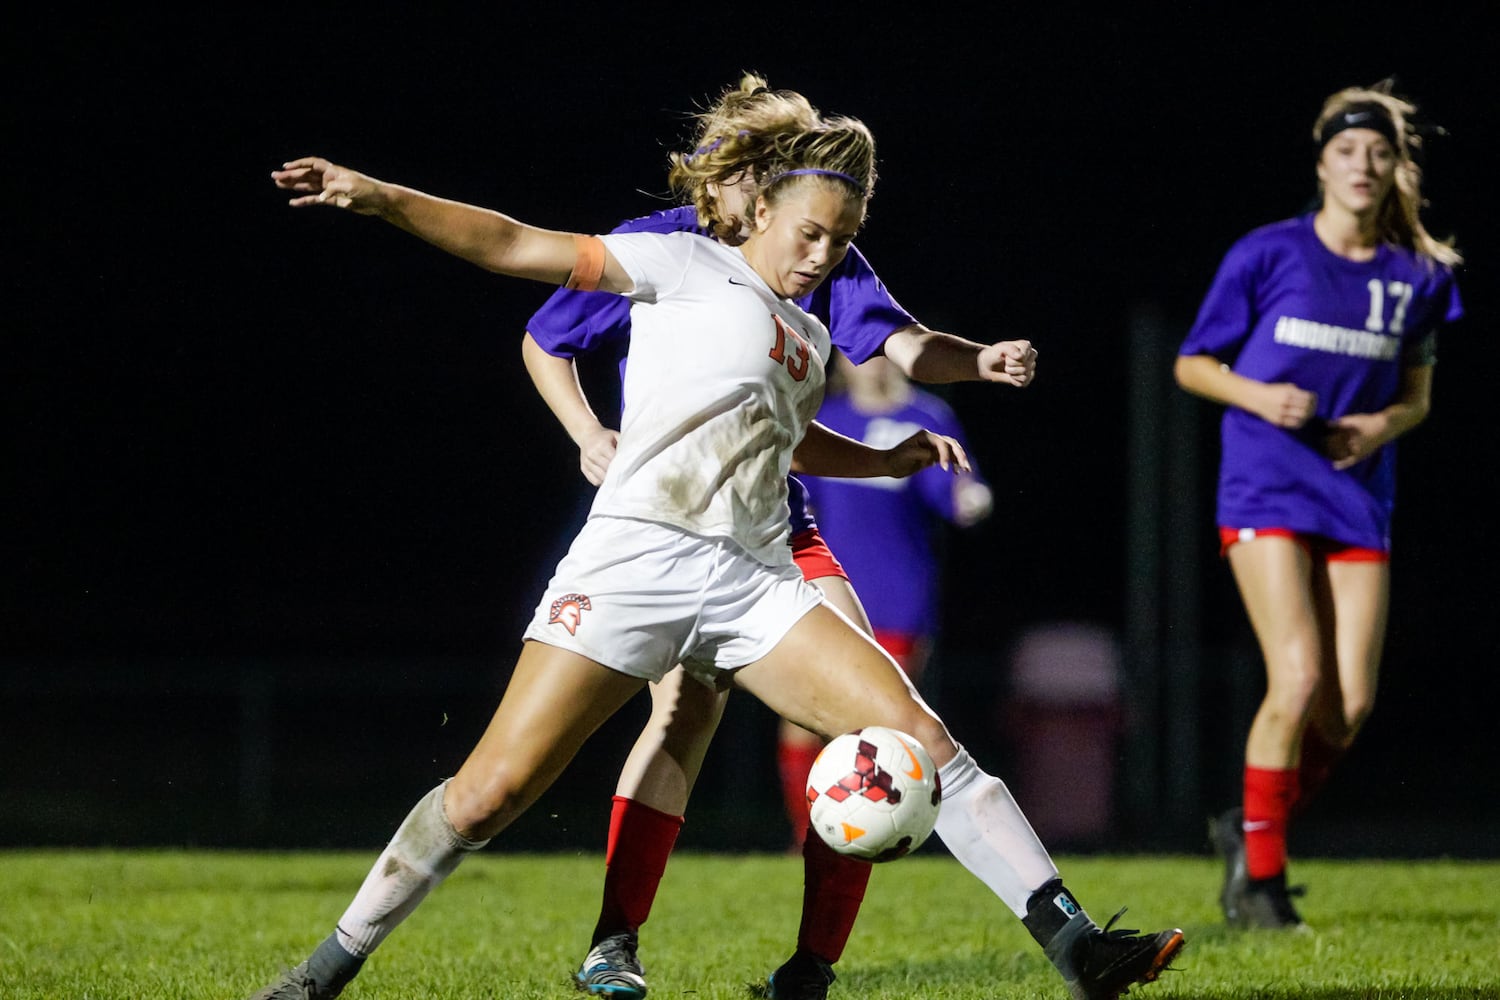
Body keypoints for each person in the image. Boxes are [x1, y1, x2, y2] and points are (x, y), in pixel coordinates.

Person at [253, 114, 1183, 1000]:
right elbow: (511, 241)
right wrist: (378, 195)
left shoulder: (813, 326)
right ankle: (326, 969)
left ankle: (1077, 946)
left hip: (751, 579)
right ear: (765, 208)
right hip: (634, 562)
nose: (824, 256)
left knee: (920, 739)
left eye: (843, 239)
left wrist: (884, 461)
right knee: (488, 797)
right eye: (812, 233)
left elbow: (785, 440)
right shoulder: (675, 260)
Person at [520, 75, 1044, 1000]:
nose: (818, 242)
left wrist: (979, 361)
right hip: (677, 524)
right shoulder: (662, 250)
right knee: (683, 715)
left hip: (778, 523)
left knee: (874, 721)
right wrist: (586, 433)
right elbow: (545, 338)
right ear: (742, 187)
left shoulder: (821, 252)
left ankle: (811, 968)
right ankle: (614, 940)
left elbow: (900, 343)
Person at [1174, 79, 1464, 931]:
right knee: (1295, 678)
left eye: (1378, 151)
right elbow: (1194, 363)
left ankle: (1251, 826)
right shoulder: (1269, 253)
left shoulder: (1419, 274)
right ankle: (1261, 888)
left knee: (1349, 706)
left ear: (1396, 166)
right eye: (1347, 150)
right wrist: (1263, 399)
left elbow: (1418, 397)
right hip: (1266, 479)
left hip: (1356, 489)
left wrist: (1382, 426)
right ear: (1323, 163)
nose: (1363, 165)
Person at [788, 352, 992, 835]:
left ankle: (884, 831)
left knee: (873, 725)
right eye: (860, 352)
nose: (872, 363)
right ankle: (808, 840)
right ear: (838, 359)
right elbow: (796, 492)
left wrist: (968, 499)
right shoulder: (824, 417)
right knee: (800, 724)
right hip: (825, 591)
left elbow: (957, 489)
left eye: (882, 351)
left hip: (898, 594)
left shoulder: (925, 418)